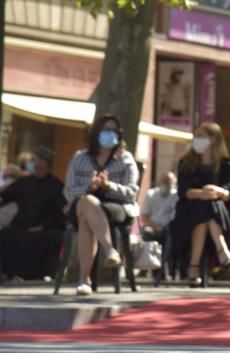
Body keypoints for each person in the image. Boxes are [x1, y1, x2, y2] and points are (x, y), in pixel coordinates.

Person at [64, 115, 140, 296]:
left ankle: (84, 280)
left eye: (114, 131)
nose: (111, 134)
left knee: (85, 219)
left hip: (114, 207)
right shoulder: (79, 158)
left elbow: (131, 193)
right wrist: (89, 187)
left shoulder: (125, 159)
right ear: (96, 132)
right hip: (81, 204)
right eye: (107, 130)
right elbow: (68, 191)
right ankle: (109, 250)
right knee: (86, 203)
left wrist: (108, 186)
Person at [171, 123, 230, 287]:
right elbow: (183, 191)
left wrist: (219, 191)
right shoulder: (186, 163)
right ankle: (222, 251)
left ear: (214, 139)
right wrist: (200, 193)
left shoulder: (228, 165)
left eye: (201, 137)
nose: (197, 140)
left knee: (209, 204)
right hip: (186, 217)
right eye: (196, 136)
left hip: (223, 218)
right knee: (203, 205)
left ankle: (193, 267)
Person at [0, 146, 67, 280]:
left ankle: (44, 273)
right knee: (6, 235)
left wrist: (42, 227)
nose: (29, 163)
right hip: (21, 226)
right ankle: (8, 273)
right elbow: (5, 196)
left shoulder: (57, 186)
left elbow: (60, 215)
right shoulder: (23, 183)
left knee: (53, 237)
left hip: (45, 229)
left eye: (33, 160)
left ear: (44, 163)